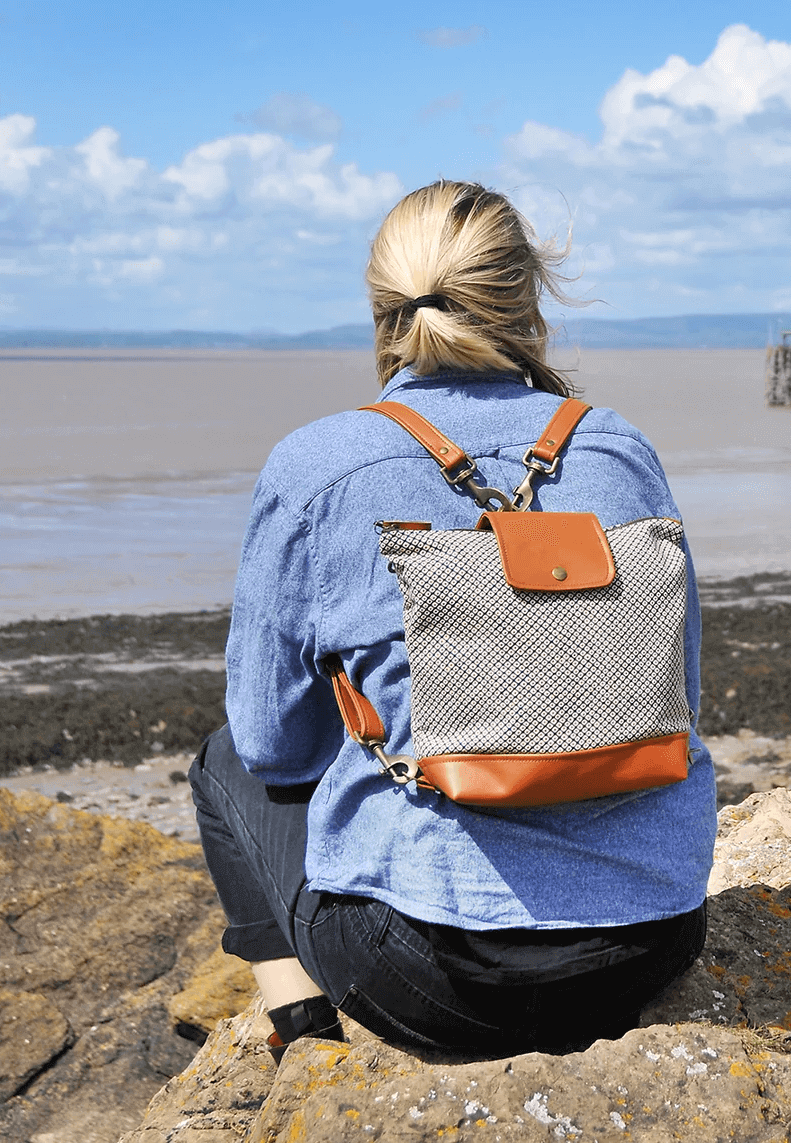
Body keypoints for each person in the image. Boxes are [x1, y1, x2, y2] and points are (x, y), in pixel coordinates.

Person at [189, 180, 715, 1060]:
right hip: (647, 943)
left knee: (222, 764)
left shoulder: (318, 462)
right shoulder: (620, 447)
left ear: (382, 310)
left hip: (433, 974)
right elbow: (679, 695)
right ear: (529, 297)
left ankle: (306, 1038)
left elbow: (272, 743)